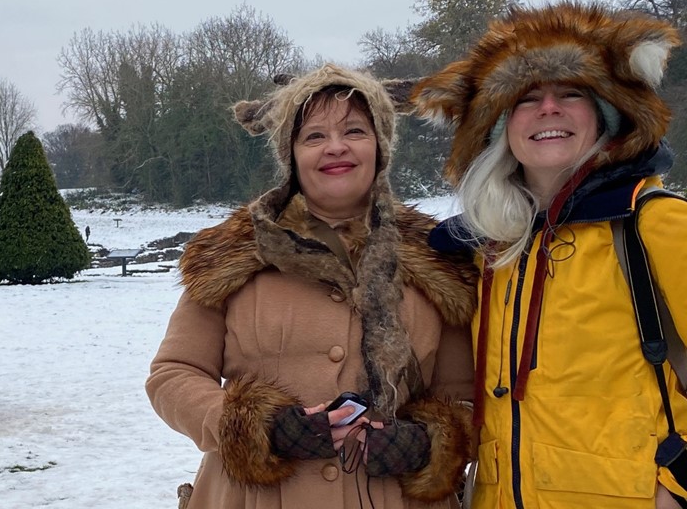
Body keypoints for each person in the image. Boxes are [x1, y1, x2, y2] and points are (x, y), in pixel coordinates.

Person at [146, 64, 477, 509]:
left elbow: (466, 400)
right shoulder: (230, 254)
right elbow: (173, 375)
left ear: (380, 146)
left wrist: (427, 442)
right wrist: (256, 427)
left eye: (355, 131)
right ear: (292, 154)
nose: (335, 147)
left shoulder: (440, 260)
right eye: (314, 136)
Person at [411, 2, 687, 509]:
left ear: (606, 113)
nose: (549, 109)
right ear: (500, 129)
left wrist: (681, 484)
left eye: (571, 93)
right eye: (526, 98)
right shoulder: (487, 249)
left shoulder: (655, 224)